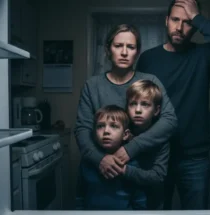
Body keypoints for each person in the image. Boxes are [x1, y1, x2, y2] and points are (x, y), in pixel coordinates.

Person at [136, 0, 210, 210]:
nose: (179, 27)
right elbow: (137, 104)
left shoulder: (203, 56)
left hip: (194, 158)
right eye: (175, 20)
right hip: (156, 155)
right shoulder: (148, 59)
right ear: (166, 21)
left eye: (187, 22)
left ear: (195, 27)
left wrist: (199, 18)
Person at [74, 24, 177, 208]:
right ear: (107, 49)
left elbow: (170, 121)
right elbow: (82, 129)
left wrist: (131, 149)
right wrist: (100, 159)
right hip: (104, 179)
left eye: (130, 47)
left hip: (144, 174)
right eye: (118, 46)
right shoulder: (92, 86)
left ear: (137, 52)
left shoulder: (150, 81)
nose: (124, 52)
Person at [80, 105, 146, 210]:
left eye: (114, 126)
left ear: (125, 134)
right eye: (100, 126)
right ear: (94, 133)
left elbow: (140, 201)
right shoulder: (87, 162)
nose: (106, 131)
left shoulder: (133, 164)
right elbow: (80, 197)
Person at [125, 79, 169, 209]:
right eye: (133, 104)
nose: (138, 110)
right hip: (126, 201)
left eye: (145, 104)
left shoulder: (161, 139)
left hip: (153, 202)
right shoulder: (122, 133)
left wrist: (124, 171)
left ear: (156, 110)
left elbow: (158, 177)